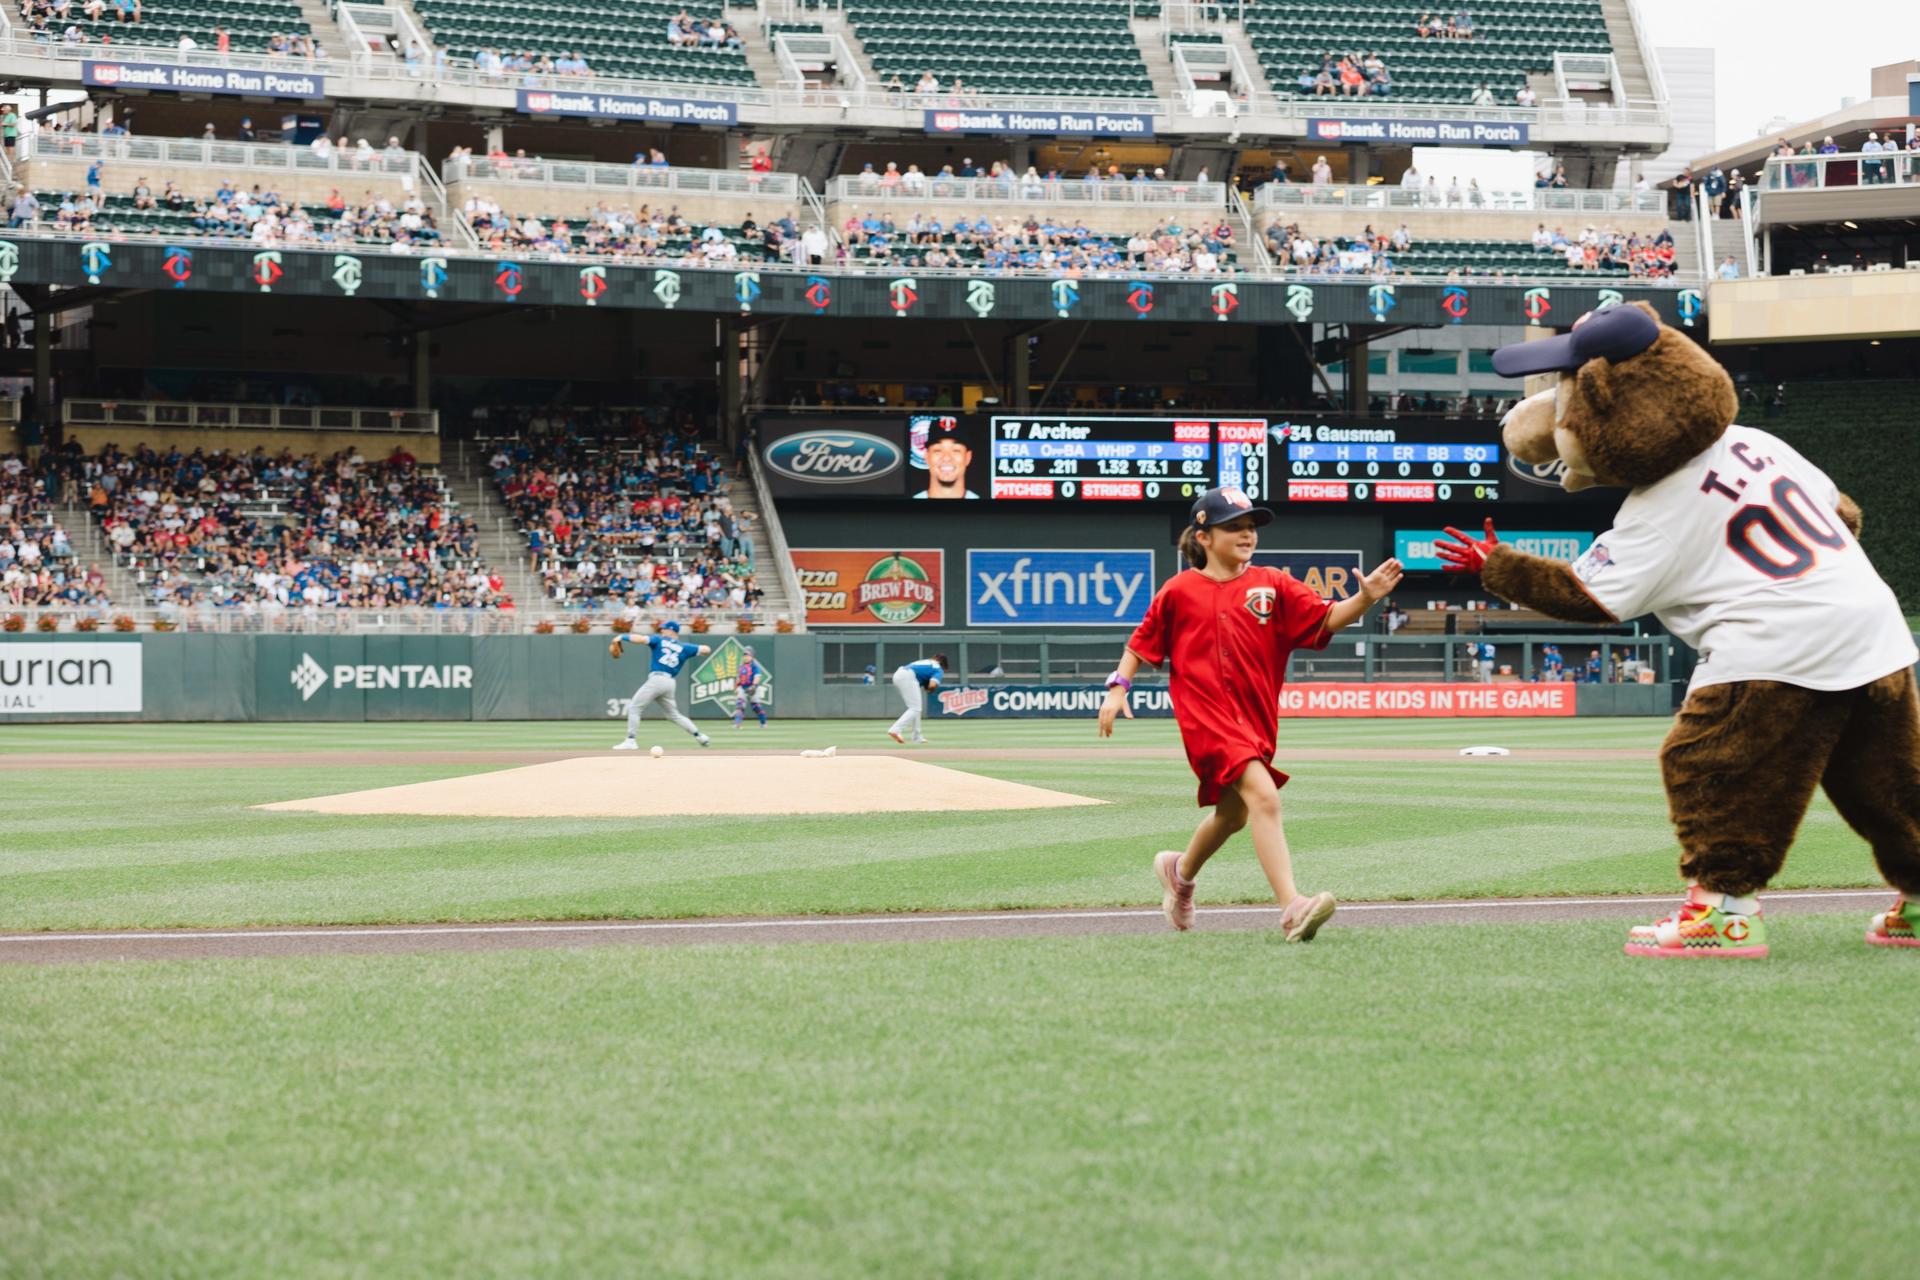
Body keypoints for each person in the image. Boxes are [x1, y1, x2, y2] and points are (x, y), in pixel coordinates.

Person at [1099, 486, 1403, 940]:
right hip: (1205, 716)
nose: (1247, 534)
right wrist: (1117, 688)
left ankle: (1179, 875)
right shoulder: (1179, 590)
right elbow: (1141, 642)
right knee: (1264, 796)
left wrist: (1365, 599)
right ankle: (1292, 907)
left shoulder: (1274, 583)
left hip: (1254, 716)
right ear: (1203, 537)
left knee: (1234, 816)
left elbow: (1323, 618)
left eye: (1251, 526)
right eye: (1234, 527)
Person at [609, 619, 713, 749]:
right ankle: (700, 736)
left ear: (671, 630)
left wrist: (622, 637)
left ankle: (630, 740)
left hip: (657, 679)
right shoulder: (684, 647)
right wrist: (696, 650)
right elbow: (706, 649)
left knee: (635, 708)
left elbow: (641, 639)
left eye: (664, 628)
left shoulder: (659, 640)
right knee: (674, 715)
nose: (662, 630)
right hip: (669, 683)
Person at [888, 652, 949, 744]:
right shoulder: (938, 669)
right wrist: (930, 689)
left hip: (899, 674)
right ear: (943, 664)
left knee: (916, 708)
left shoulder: (926, 662)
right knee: (915, 708)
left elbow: (921, 675)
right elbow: (932, 685)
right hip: (909, 677)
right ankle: (895, 730)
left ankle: (917, 737)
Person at [916, 418, 977, 499]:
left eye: (956, 450)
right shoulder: (907, 510)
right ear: (927, 457)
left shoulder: (985, 509)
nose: (946, 458)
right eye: (938, 450)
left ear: (968, 457)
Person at [731, 644, 768, 728]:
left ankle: (763, 723)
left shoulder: (754, 666)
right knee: (739, 705)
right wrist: (735, 688)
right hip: (743, 688)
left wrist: (754, 686)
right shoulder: (741, 667)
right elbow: (738, 679)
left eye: (748, 655)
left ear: (752, 656)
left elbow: (757, 676)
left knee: (756, 707)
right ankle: (737, 724)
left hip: (753, 688)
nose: (746, 657)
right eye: (744, 655)